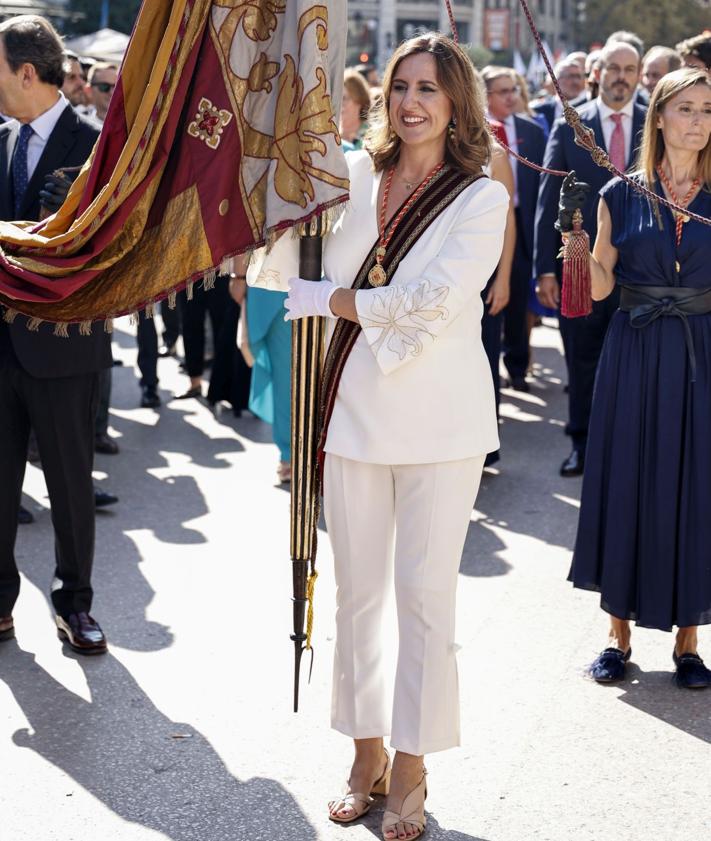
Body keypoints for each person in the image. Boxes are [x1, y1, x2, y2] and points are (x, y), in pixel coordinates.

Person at [256, 32, 508, 840]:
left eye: (429, 88)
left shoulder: (481, 195)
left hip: (442, 420)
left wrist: (333, 302)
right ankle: (364, 752)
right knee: (358, 595)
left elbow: (436, 302)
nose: (410, 102)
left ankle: (412, 761)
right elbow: (281, 259)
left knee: (424, 600)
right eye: (401, 85)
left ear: (455, 101)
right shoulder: (353, 174)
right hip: (351, 409)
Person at [567, 68, 711, 688]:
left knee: (696, 484)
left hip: (700, 349)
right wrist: (573, 241)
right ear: (659, 118)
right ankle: (616, 635)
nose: (699, 122)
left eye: (708, 110)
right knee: (627, 479)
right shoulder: (620, 194)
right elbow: (600, 284)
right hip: (633, 349)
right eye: (686, 109)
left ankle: (688, 643)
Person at [0, 15, 110, 654]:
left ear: (26, 72)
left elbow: (108, 242)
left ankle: (76, 605)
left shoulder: (97, 146)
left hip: (65, 345)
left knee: (70, 484)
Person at [535, 41, 647, 477]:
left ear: (638, 76)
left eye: (630, 69)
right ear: (597, 72)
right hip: (581, 267)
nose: (621, 76)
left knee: (636, 364)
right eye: (613, 68)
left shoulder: (653, 125)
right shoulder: (570, 123)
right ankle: (581, 443)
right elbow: (549, 196)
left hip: (641, 271)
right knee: (582, 358)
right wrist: (546, 268)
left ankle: (629, 446)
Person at [482, 65, 545, 392]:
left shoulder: (532, 131)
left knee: (519, 296)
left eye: (514, 90)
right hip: (489, 227)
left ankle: (518, 366)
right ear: (486, 95)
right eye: (502, 91)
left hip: (522, 221)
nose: (511, 97)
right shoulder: (477, 133)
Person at [533, 57, 586, 132]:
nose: (575, 82)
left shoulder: (589, 111)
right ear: (556, 80)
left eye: (578, 76)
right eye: (570, 76)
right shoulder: (539, 111)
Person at [340, 68, 371, 151]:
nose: (339, 104)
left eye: (344, 98)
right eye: (336, 98)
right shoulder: (330, 136)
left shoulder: (372, 138)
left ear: (359, 101)